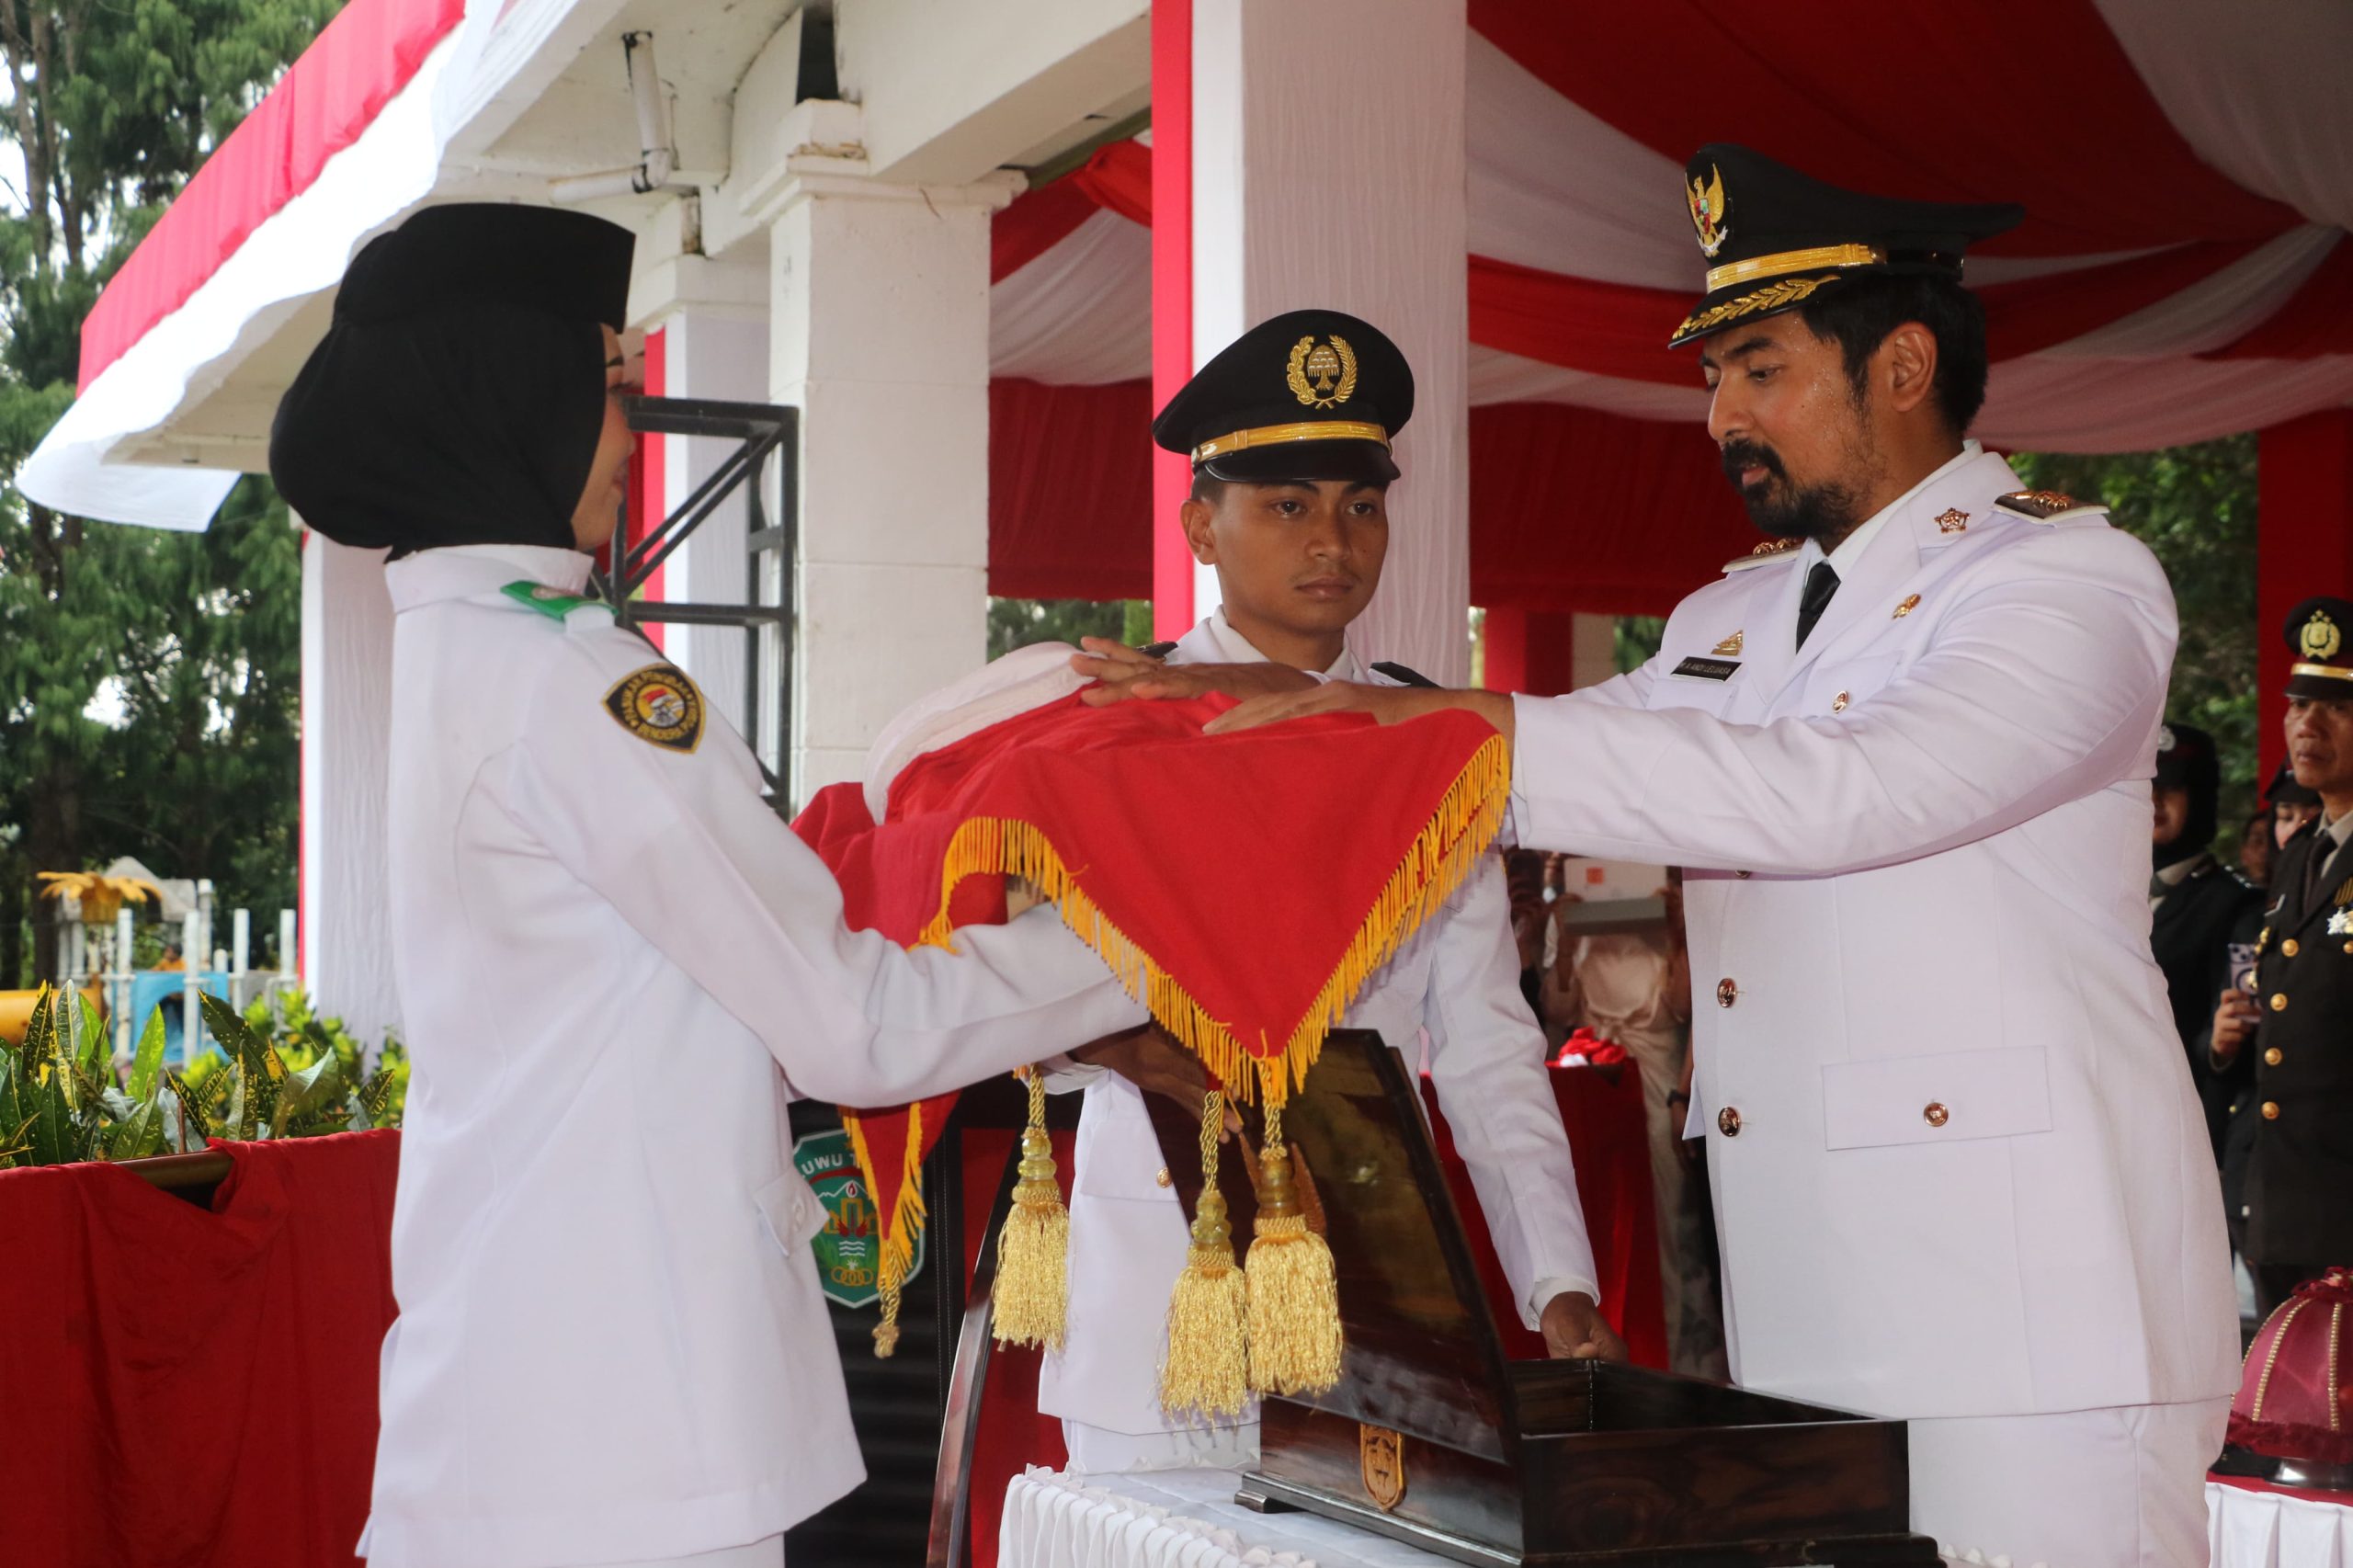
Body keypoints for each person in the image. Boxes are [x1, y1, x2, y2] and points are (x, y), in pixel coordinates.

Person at [1084, 146, 2239, 1566]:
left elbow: (1846, 792)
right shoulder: (1730, 618)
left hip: (2035, 1330)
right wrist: (1284, 732)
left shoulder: (2061, 583)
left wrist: (1387, 722)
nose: (1720, 415)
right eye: (1713, 375)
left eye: (1759, 367)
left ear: (1902, 364)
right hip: (1805, 1325)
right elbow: (1557, 766)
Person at [268, 204, 1146, 1568]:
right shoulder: (573, 684)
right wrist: (1143, 942)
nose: (632, 434)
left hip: (531, 1420)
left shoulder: (467, 651)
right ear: (514, 397)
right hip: (629, 1441)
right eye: (611, 386)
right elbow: (852, 1024)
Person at [1040, 310, 1620, 1476]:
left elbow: (1486, 1048)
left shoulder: (1428, 741)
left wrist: (1557, 1285)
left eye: (1360, 505)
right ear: (1201, 526)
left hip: (1377, 1284)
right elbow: (1006, 1011)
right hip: (1163, 1281)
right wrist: (1128, 1045)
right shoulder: (1113, 723)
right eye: (1286, 504)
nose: (1331, 540)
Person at [2209, 597, 2353, 1317]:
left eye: (2337, 708)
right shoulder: (2301, 854)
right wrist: (2233, 1038)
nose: (2307, 725)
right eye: (2299, 705)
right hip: (2284, 1205)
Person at [2147, 722, 2263, 1158]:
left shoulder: (2240, 907)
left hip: (2192, 1132)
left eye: (2172, 788)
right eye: (2145, 786)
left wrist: (2219, 1046)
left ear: (2200, 798)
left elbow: (2235, 1028)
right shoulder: (2107, 896)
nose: (2154, 801)